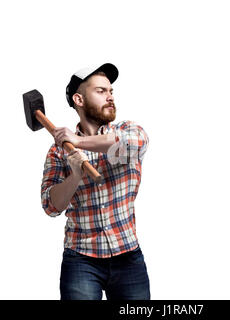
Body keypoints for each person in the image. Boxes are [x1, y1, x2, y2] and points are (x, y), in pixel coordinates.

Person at [41, 63, 150, 300]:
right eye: (101, 91)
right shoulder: (58, 151)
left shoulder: (128, 130)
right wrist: (75, 176)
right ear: (79, 99)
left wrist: (77, 142)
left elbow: (131, 144)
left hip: (128, 255)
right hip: (80, 259)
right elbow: (51, 206)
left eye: (111, 91)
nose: (110, 97)